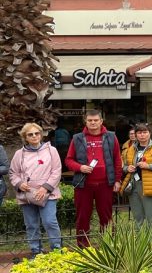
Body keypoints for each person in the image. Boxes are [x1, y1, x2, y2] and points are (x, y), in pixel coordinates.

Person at [65, 110, 122, 247]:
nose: (93, 123)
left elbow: (117, 160)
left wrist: (117, 180)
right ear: (86, 121)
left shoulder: (111, 137)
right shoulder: (77, 138)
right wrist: (80, 167)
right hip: (84, 184)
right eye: (90, 120)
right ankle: (83, 246)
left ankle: (108, 245)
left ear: (101, 121)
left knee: (106, 216)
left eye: (96, 120)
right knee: (83, 217)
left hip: (105, 184)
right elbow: (68, 160)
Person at [9, 123, 63, 257]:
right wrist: (19, 184)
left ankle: (57, 250)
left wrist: (45, 189)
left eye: (36, 133)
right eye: (30, 134)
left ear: (41, 134)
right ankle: (36, 251)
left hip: (47, 193)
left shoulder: (52, 150)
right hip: (27, 195)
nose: (34, 136)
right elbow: (12, 173)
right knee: (31, 224)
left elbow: (56, 171)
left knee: (49, 221)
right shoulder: (19, 154)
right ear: (25, 137)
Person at [121, 123, 152, 227]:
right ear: (136, 135)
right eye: (139, 132)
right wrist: (127, 168)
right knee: (138, 218)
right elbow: (124, 167)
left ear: (149, 133)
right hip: (133, 185)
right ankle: (140, 242)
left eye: (145, 132)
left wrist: (148, 166)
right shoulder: (130, 149)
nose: (142, 135)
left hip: (149, 186)